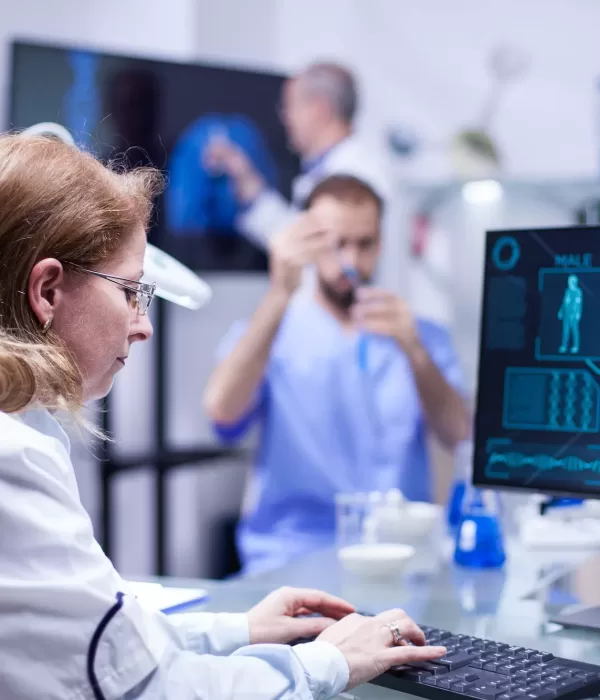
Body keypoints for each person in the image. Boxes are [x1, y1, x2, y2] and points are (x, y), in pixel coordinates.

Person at [0, 134, 447, 699]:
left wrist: (234, 630)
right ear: (46, 290)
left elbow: (98, 636)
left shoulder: (23, 432)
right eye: (131, 291)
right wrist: (329, 662)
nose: (144, 325)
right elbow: (147, 687)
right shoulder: (12, 456)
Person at [204, 175, 470, 575]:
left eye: (365, 244)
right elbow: (221, 416)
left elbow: (459, 434)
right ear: (310, 241)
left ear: (381, 242)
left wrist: (415, 352)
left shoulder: (418, 335)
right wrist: (279, 292)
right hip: (289, 559)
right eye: (336, 243)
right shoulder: (274, 331)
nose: (352, 261)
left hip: (399, 560)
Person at [204, 61, 391, 249]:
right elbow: (298, 238)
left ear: (319, 109)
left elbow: (313, 253)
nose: (284, 117)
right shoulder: (329, 169)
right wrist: (245, 179)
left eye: (290, 106)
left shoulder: (357, 177)